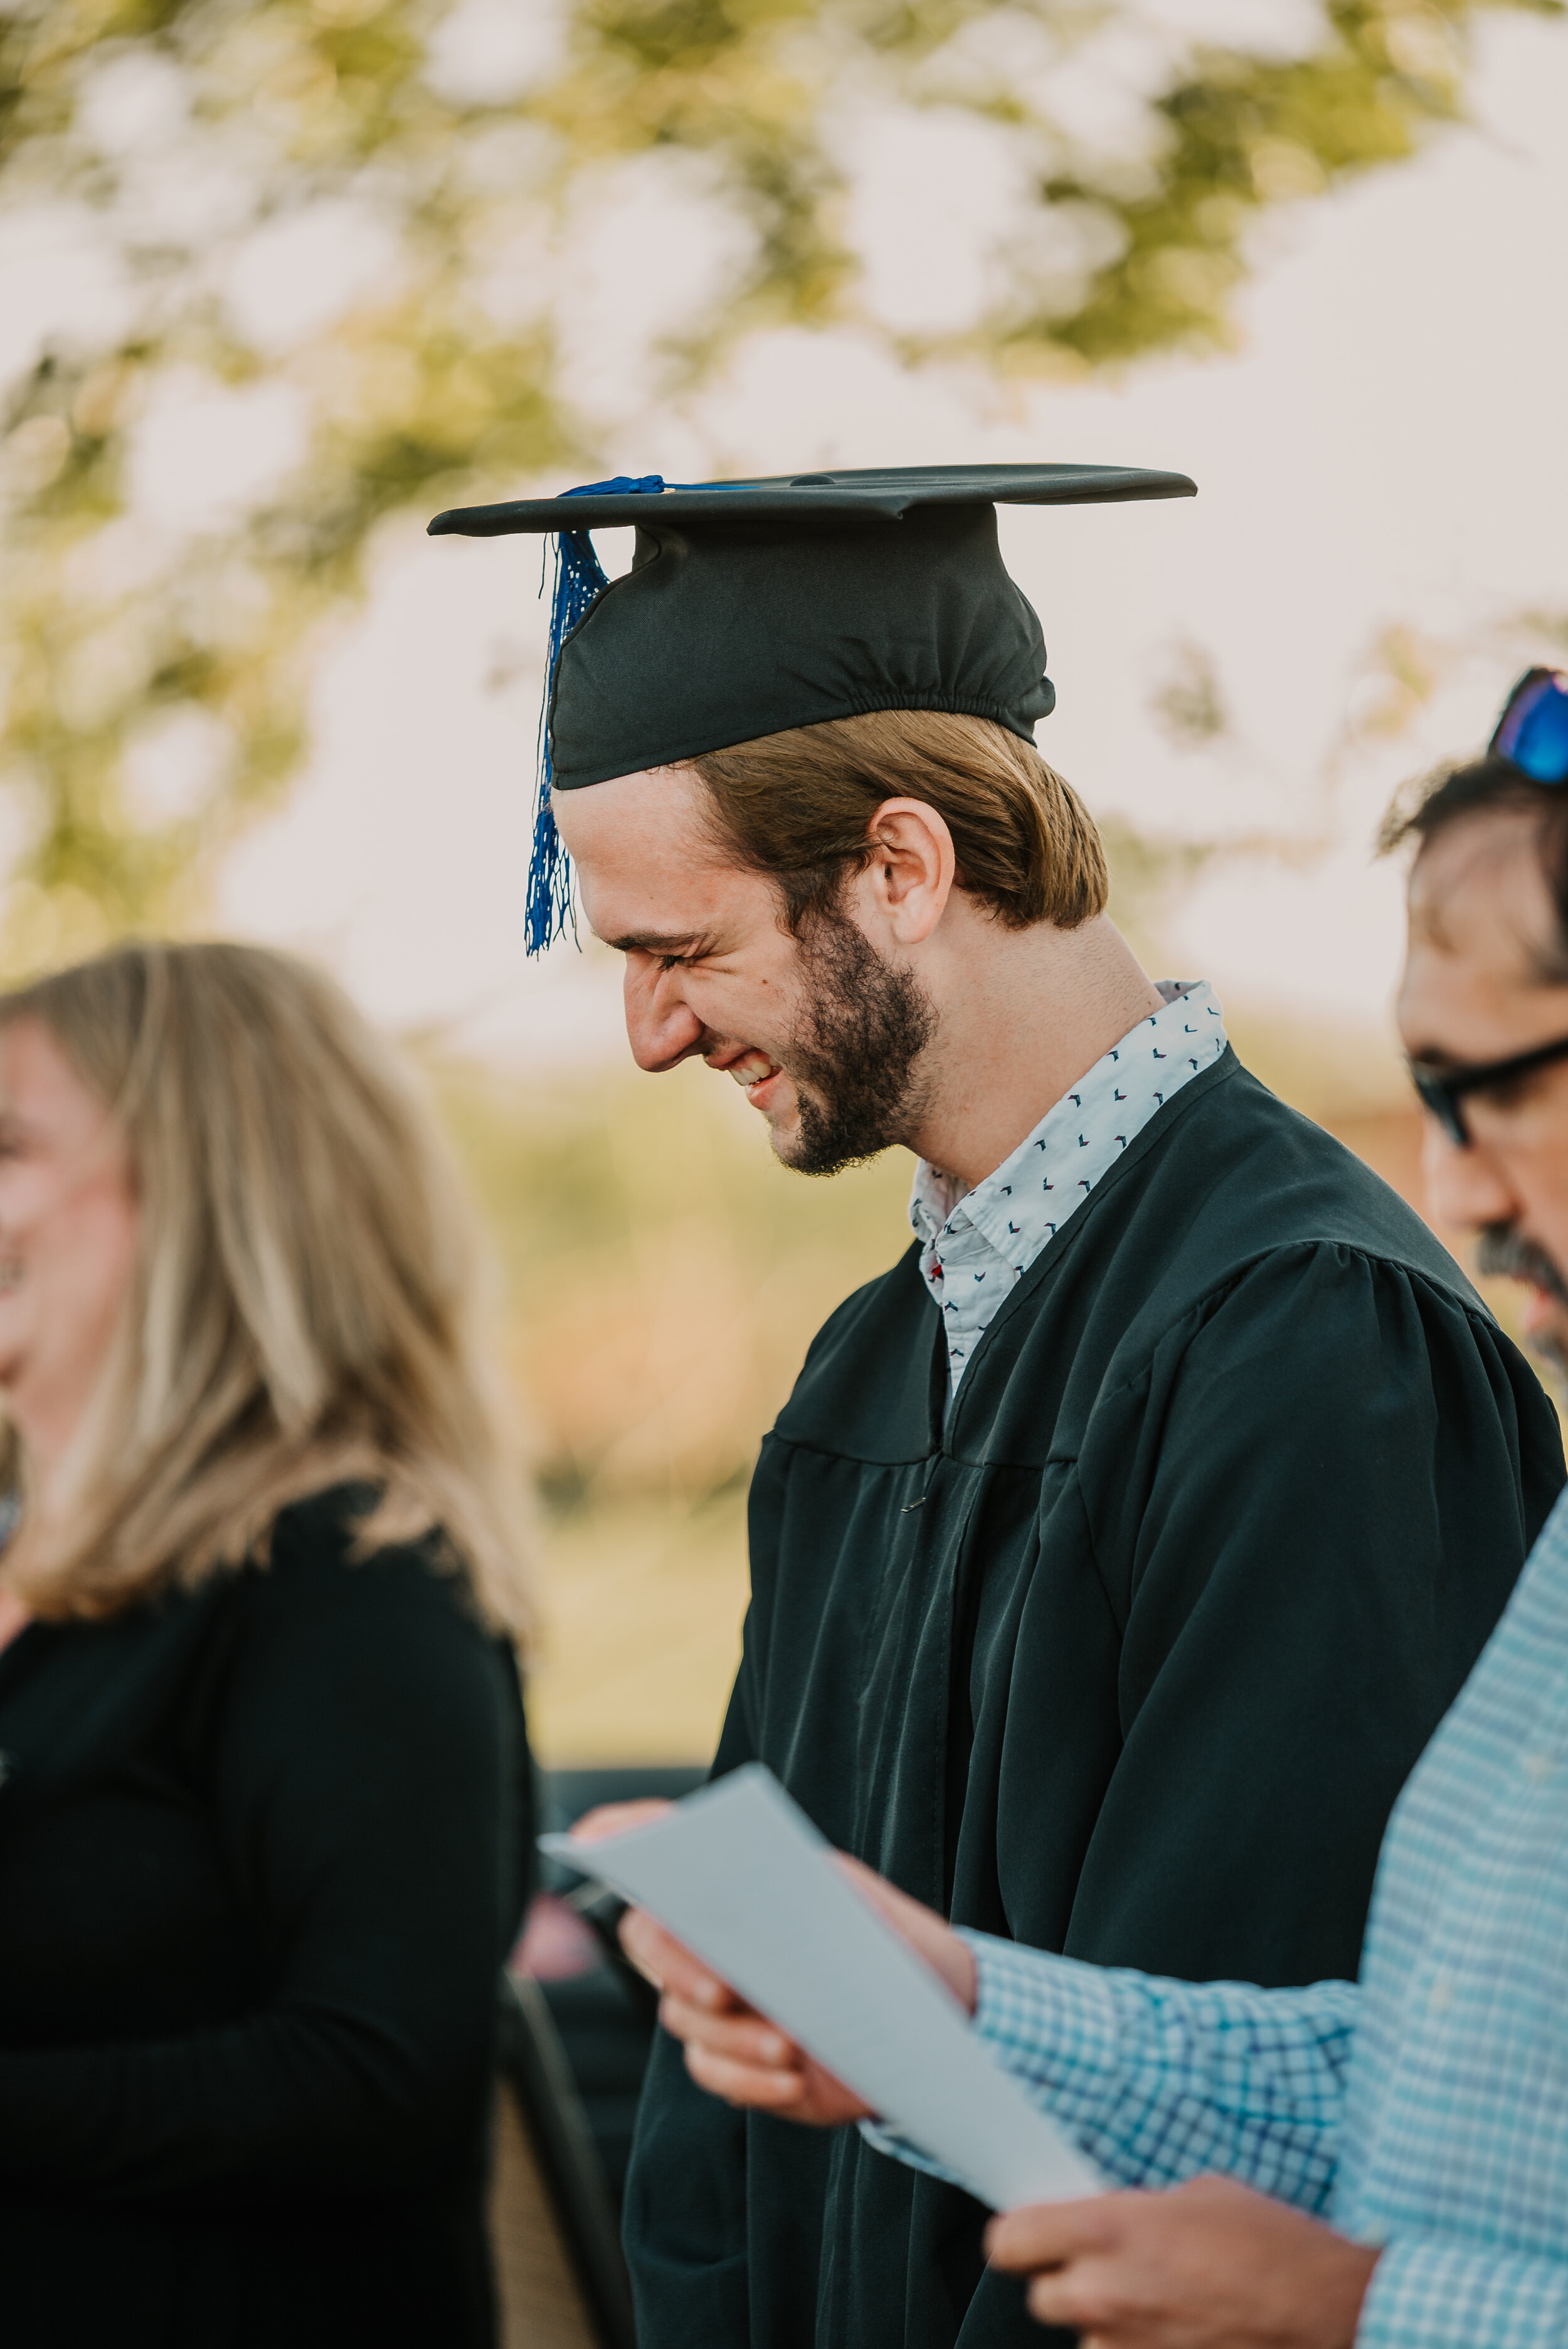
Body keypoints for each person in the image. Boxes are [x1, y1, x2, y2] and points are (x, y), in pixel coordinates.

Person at [430, 469, 1565, 2349]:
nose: (644, 1033)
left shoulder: (1306, 1338)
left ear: (900, 864)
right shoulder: (868, 1367)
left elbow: (1287, 2133)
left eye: (677, 950)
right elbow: (727, 2105)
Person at [0, 941, 535, 2349]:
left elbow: (378, 2075)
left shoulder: (352, 1580)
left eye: (7, 1144)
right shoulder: (29, 1564)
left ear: (199, 1192)